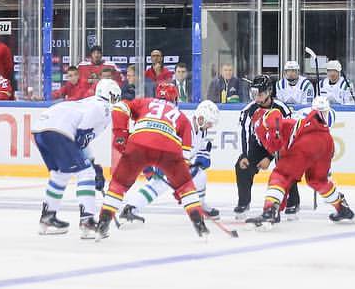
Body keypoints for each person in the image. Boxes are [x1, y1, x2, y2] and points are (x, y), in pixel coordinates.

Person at [96, 85, 211, 240]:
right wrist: (180, 187)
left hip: (138, 142)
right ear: (175, 99)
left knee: (118, 184)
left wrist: (120, 133)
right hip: (168, 148)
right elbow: (184, 159)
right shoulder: (182, 117)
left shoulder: (144, 102)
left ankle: (103, 223)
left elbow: (119, 107)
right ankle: (199, 224)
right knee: (186, 186)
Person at [247, 95, 355, 226]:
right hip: (326, 142)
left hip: (306, 140)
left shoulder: (266, 124)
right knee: (318, 181)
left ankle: (269, 210)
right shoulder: (300, 117)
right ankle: (342, 207)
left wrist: (275, 209)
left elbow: (274, 119)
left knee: (281, 175)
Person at [31, 79, 119, 236]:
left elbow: (80, 140)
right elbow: (81, 136)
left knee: (60, 174)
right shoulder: (104, 108)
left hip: (39, 130)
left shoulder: (87, 102)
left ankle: (47, 217)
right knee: (87, 173)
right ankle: (87, 221)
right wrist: (94, 168)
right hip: (59, 132)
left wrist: (92, 162)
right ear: (113, 96)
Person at [119, 95, 221, 222]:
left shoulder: (202, 130)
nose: (210, 126)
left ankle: (199, 205)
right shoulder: (182, 126)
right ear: (201, 118)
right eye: (209, 123)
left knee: (200, 175)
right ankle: (130, 208)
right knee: (158, 185)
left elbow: (202, 147)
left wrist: (200, 160)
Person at [234, 75, 300, 216]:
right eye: (254, 93)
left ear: (269, 92)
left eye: (260, 93)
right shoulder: (248, 110)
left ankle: (293, 201)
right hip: (258, 145)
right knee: (241, 166)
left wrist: (270, 157)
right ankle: (243, 202)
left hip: (280, 145)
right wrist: (244, 155)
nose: (256, 97)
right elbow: (245, 132)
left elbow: (288, 135)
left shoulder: (282, 109)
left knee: (287, 165)